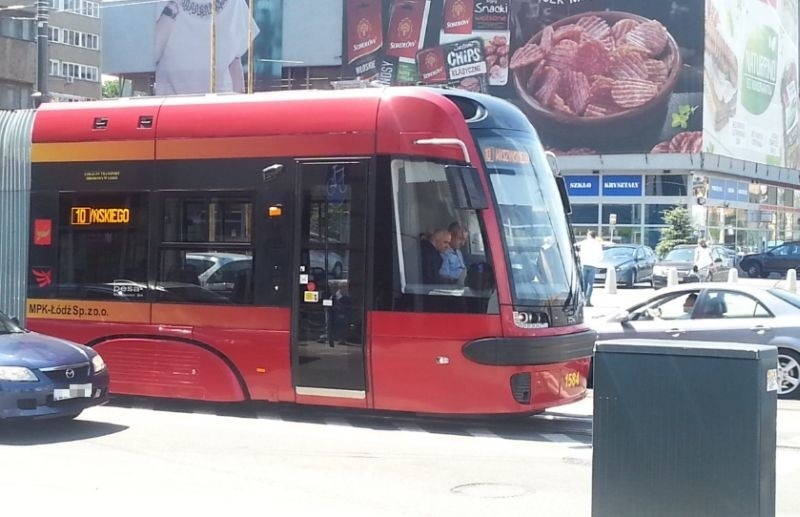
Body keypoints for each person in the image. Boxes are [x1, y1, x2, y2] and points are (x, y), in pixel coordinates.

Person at [154, 0, 259, 95]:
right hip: (172, 106)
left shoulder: (234, 3)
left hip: (219, 105)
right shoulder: (163, 4)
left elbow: (235, 60)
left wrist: (238, 107)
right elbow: (150, 56)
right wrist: (170, 10)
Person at [578, 230, 603, 307]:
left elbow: (580, 253)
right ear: (595, 236)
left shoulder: (584, 243)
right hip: (593, 265)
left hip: (584, 264)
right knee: (590, 284)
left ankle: (583, 299)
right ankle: (587, 300)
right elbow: (600, 256)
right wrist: (596, 261)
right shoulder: (598, 244)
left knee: (584, 283)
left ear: (588, 235)